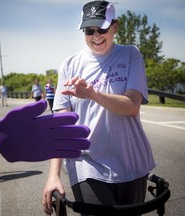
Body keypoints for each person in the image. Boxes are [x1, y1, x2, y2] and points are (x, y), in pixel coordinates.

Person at [42, 1, 155, 215]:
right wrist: (53, 175)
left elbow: (132, 106)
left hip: (131, 162)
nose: (95, 36)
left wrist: (92, 94)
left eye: (101, 29)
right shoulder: (69, 65)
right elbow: (61, 126)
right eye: (89, 30)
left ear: (115, 26)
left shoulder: (131, 54)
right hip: (86, 163)